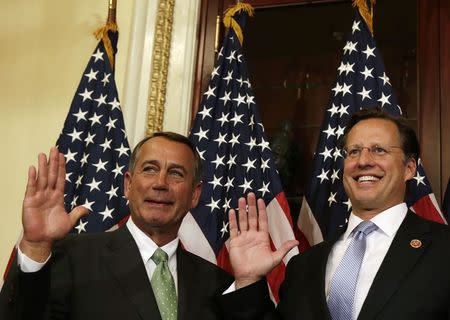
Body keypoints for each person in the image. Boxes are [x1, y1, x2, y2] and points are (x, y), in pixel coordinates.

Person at [219, 107, 450, 319]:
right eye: (353, 151)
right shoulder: (304, 266)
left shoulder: (442, 249)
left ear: (409, 168)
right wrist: (248, 280)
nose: (363, 161)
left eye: (379, 150)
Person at [0, 132, 233, 320]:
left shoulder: (217, 283)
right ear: (128, 185)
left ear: (194, 195)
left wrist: (251, 279)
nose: (160, 183)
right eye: (150, 169)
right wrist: (36, 246)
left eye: (176, 173)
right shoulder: (71, 257)